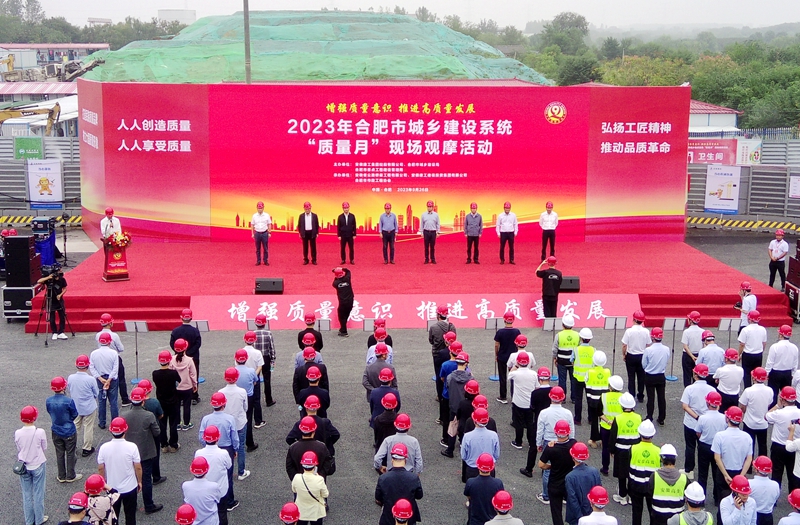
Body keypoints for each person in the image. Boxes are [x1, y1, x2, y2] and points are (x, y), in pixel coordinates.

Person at [122, 387, 162, 515]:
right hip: (145, 452)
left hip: (129, 452)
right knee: (146, 478)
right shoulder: (149, 415)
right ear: (143, 400)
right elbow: (157, 432)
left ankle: (132, 504)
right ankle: (148, 505)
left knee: (131, 477)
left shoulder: (124, 416)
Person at [97, 417, 141, 525]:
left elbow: (101, 468)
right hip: (130, 487)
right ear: (125, 430)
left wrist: (103, 482)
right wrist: (139, 481)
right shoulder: (132, 447)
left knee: (112, 517)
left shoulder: (104, 448)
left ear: (111, 431)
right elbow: (138, 467)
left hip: (112, 488)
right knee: (130, 516)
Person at [536, 387, 576, 504]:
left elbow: (540, 430)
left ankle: (546, 495)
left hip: (549, 442)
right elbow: (571, 430)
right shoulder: (567, 413)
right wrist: (571, 443)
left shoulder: (544, 413)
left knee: (547, 471)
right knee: (566, 468)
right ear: (562, 398)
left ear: (550, 397)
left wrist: (538, 443)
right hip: (566, 442)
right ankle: (565, 495)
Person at [680, 364, 716, 480]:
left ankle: (689, 470)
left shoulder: (689, 389)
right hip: (706, 424)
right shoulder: (712, 390)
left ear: (695, 374)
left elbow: (685, 406)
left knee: (690, 446)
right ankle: (702, 471)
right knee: (702, 447)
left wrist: (697, 417)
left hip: (690, 422)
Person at [712, 407, 753, 504]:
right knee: (739, 501)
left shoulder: (719, 436)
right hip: (739, 471)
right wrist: (741, 476)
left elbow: (717, 457)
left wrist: (725, 475)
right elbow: (749, 459)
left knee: (722, 501)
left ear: (727, 418)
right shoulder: (747, 437)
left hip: (723, 471)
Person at [539, 420, 578, 524]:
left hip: (555, 484)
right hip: (569, 483)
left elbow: (541, 464)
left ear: (555, 432)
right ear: (568, 432)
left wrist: (551, 466)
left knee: (556, 513)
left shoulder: (551, 448)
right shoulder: (573, 444)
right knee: (574, 508)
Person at [375, 443, 423, 525]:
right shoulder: (413, 478)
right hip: (408, 518)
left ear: (392, 460)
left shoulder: (383, 478)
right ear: (405, 460)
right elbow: (419, 496)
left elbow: (378, 497)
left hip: (388, 518)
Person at [16, 406, 48, 525]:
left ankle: (29, 521)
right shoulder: (40, 432)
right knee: (39, 493)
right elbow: (44, 447)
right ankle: (39, 519)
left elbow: (19, 448)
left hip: (24, 466)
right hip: (38, 464)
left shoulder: (18, 433)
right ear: (34, 417)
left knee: (27, 494)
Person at [196, 422, 236, 516]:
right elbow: (229, 466)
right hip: (220, 490)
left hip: (205, 490)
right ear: (218, 438)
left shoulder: (198, 453)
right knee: (222, 514)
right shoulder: (223, 453)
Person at [610, 393, 642, 505]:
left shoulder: (618, 418)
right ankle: (632, 497)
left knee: (622, 474)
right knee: (633, 473)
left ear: (621, 405)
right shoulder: (638, 417)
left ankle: (622, 496)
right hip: (635, 450)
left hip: (621, 450)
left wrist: (612, 450)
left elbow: (613, 436)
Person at [46, 377, 80, 483]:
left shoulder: (48, 401)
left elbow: (49, 411)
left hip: (56, 429)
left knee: (59, 453)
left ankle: (61, 475)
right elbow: (75, 414)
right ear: (64, 387)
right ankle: (70, 475)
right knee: (70, 453)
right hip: (69, 430)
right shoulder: (69, 401)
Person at [696, 391, 726, 505]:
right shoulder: (724, 418)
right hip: (718, 448)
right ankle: (717, 498)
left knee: (702, 474)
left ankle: (701, 499)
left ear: (708, 403)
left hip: (704, 446)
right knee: (717, 473)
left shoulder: (702, 418)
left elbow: (698, 433)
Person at [767, 387, 800, 490]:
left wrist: (778, 405)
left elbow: (766, 416)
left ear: (782, 399)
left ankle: (775, 495)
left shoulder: (778, 413)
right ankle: (794, 496)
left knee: (776, 474)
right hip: (794, 446)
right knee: (793, 475)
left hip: (778, 447)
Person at [629, 420, 660, 525]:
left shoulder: (633, 448)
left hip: (636, 484)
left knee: (636, 512)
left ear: (640, 433)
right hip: (652, 486)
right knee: (653, 513)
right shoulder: (658, 451)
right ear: (653, 435)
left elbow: (628, 467)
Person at [68, 355, 99, 458]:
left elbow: (70, 389)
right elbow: (96, 393)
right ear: (87, 366)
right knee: (88, 427)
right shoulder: (91, 379)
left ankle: (72, 446)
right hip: (89, 406)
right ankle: (86, 448)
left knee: (75, 426)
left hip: (76, 406)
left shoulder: (71, 378)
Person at [648, 444, 687, 525]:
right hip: (677, 518)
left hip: (658, 516)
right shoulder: (684, 478)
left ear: (661, 459)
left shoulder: (654, 476)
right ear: (675, 458)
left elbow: (650, 493)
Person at [170, 309, 202, 404]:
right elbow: (198, 344)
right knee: (193, 375)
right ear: (191, 318)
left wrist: (179, 351)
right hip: (193, 357)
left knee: (178, 376)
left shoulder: (175, 331)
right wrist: (189, 353)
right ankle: (194, 396)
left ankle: (179, 396)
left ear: (181, 317)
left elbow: (172, 343)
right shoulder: (195, 331)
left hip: (178, 356)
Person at [740, 367, 773, 457]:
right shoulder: (769, 390)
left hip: (749, 422)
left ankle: (749, 463)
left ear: (753, 378)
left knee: (749, 446)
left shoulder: (748, 391)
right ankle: (763, 463)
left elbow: (742, 406)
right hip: (763, 423)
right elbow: (769, 404)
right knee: (763, 446)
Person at [565, 442, 602, 525]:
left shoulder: (570, 477)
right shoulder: (594, 471)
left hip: (576, 518)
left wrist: (580, 518)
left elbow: (572, 499)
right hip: (592, 512)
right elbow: (599, 491)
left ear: (573, 457)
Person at [152, 350, 181, 453]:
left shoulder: (155, 374)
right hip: (173, 401)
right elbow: (179, 381)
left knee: (162, 424)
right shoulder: (173, 373)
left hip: (161, 402)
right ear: (169, 361)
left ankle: (163, 444)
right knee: (173, 424)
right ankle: (173, 445)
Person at [509, 352, 539, 450]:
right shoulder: (534, 374)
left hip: (518, 402)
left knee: (518, 423)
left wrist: (516, 366)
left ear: (518, 362)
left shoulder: (515, 374)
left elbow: (509, 374)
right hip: (529, 402)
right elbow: (537, 387)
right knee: (530, 423)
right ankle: (531, 442)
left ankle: (518, 442)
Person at [89, 332, 119, 430]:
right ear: (110, 342)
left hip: (100, 379)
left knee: (101, 401)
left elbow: (92, 367)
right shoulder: (114, 353)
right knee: (113, 402)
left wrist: (100, 378)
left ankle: (102, 422)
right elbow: (115, 368)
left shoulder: (94, 353)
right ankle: (115, 422)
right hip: (112, 379)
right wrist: (109, 379)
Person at [96, 314, 128, 406]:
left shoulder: (98, 335)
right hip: (115, 357)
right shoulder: (114, 335)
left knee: (105, 377)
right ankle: (125, 399)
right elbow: (121, 348)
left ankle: (106, 398)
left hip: (102, 358)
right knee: (121, 378)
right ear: (110, 323)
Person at [461, 408, 500, 483]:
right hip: (489, 468)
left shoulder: (467, 436)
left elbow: (463, 456)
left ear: (474, 421)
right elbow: (496, 455)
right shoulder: (494, 435)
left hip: (472, 468)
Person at [182, 457, 225, 525]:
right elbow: (218, 499)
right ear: (207, 470)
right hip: (210, 522)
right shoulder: (214, 486)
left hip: (194, 522)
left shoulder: (185, 485)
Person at [464, 454, 503, 525]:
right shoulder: (498, 483)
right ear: (492, 467)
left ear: (478, 466)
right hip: (492, 520)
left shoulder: (471, 482)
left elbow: (469, 497)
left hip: (475, 521)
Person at [291, 451, 328, 525]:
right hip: (316, 512)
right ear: (315, 466)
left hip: (301, 511)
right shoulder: (319, 479)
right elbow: (325, 494)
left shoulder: (297, 477)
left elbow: (294, 490)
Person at [622, 310, 651, 403]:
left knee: (631, 377)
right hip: (642, 355)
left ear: (634, 319)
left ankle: (631, 396)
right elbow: (648, 345)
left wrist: (624, 354)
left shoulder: (629, 331)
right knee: (641, 377)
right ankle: (640, 395)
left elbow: (624, 345)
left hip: (631, 355)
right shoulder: (646, 331)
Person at [765, 324, 798, 405]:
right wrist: (793, 374)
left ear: (780, 335)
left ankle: (772, 410)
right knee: (786, 396)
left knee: (773, 395)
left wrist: (767, 373)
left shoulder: (775, 347)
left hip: (775, 373)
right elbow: (795, 363)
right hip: (787, 373)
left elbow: (770, 362)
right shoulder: (794, 347)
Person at [428, 306, 456, 402]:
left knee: (439, 374)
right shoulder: (451, 326)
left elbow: (431, 340)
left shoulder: (433, 327)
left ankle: (440, 396)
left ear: (438, 315)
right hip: (450, 352)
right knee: (451, 373)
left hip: (437, 353)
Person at [644, 327, 670, 425]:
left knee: (650, 398)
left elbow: (644, 364)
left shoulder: (648, 350)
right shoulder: (666, 349)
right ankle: (661, 418)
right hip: (661, 375)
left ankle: (649, 416)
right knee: (661, 397)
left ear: (652, 337)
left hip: (650, 376)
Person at [171, 338, 198, 431]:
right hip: (187, 387)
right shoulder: (189, 360)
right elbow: (193, 374)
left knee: (176, 406)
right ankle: (186, 423)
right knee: (187, 406)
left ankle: (178, 424)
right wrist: (195, 385)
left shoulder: (172, 359)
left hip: (176, 388)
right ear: (185, 348)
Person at [599, 375, 624, 476]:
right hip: (619, 428)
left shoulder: (603, 396)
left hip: (606, 426)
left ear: (610, 386)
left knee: (605, 448)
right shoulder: (624, 397)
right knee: (618, 448)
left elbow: (599, 412)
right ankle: (618, 469)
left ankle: (605, 468)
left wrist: (608, 421)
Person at [585, 351, 610, 449]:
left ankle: (594, 440)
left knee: (594, 420)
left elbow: (586, 382)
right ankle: (604, 440)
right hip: (604, 399)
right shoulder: (607, 372)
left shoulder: (589, 372)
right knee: (603, 419)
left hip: (593, 399)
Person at [495, 312, 521, 404]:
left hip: (502, 356)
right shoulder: (517, 332)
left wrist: (496, 354)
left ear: (504, 320)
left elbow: (496, 345)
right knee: (514, 377)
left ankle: (503, 396)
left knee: (502, 377)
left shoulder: (500, 332)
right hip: (513, 357)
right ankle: (514, 396)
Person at [552, 315, 580, 403]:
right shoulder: (577, 335)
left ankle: (562, 398)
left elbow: (554, 349)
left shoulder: (559, 335)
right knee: (573, 380)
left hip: (561, 361)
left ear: (563, 324)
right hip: (573, 361)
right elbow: (579, 348)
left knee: (562, 380)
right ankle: (574, 398)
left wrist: (554, 358)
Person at [241, 332, 266, 429]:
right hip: (254, 377)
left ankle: (245, 420)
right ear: (255, 340)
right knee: (256, 399)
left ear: (244, 339)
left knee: (244, 398)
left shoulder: (240, 352)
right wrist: (254, 377)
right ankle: (258, 421)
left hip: (243, 378)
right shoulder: (257, 353)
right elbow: (260, 366)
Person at [572, 328, 596, 426]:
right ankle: (591, 419)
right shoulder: (593, 350)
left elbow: (572, 360)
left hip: (578, 377)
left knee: (578, 399)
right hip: (589, 378)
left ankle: (578, 419)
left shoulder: (576, 349)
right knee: (589, 398)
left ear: (581, 338)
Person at [253, 313, 277, 408]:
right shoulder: (268, 333)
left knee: (255, 378)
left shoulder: (253, 333)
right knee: (267, 379)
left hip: (255, 358)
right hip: (266, 358)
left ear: (256, 323)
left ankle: (255, 399)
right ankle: (268, 400)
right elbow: (272, 348)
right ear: (265, 323)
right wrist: (273, 359)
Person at [738, 310, 768, 388]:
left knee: (747, 374)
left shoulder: (745, 330)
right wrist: (761, 351)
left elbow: (742, 344)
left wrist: (739, 354)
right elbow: (764, 343)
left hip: (747, 354)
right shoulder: (763, 329)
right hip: (758, 354)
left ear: (749, 319)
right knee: (757, 373)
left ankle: (747, 389)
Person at [37, 264, 68, 340]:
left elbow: (65, 289)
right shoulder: (49, 279)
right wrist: (48, 277)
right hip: (50, 300)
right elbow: (39, 281)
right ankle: (54, 332)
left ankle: (61, 332)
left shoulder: (62, 279)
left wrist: (60, 295)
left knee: (62, 316)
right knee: (52, 317)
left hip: (59, 300)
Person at [749, 456, 780, 525]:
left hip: (752, 515)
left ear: (756, 469)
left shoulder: (750, 483)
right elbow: (775, 498)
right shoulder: (775, 485)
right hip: (768, 517)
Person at [682, 311, 704, 386]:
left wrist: (692, 356)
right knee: (697, 375)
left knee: (687, 375)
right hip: (698, 355)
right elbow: (704, 345)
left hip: (687, 355)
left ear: (691, 320)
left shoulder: (686, 332)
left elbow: (685, 346)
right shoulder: (702, 331)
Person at [332, 267, 353, 337]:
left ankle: (344, 331)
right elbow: (348, 271)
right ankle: (342, 329)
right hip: (350, 301)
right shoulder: (347, 278)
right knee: (346, 316)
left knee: (341, 317)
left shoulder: (335, 283)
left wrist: (335, 272)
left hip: (342, 303)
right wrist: (343, 269)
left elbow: (335, 280)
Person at [297, 201, 319, 265]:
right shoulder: (301, 216)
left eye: (308, 209)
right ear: (304, 209)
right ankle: (305, 259)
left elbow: (317, 224)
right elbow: (299, 225)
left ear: (310, 208)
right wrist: (300, 233)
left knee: (313, 247)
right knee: (305, 247)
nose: (307, 210)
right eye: (306, 209)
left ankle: (314, 260)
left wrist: (317, 233)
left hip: (312, 232)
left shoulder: (314, 216)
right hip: (304, 233)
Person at [419, 200, 440, 264]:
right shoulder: (423, 215)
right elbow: (421, 224)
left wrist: (438, 232)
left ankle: (433, 259)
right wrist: (421, 232)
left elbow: (438, 224)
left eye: (430, 207)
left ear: (432, 207)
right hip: (426, 232)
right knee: (426, 247)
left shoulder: (436, 215)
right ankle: (426, 259)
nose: (429, 208)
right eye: (428, 207)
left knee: (432, 247)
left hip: (433, 232)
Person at [251, 201, 272, 266]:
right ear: (257, 208)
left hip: (264, 233)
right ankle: (258, 261)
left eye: (261, 208)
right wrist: (252, 233)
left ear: (263, 208)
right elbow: (252, 225)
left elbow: (269, 224)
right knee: (257, 249)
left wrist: (269, 232)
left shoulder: (267, 215)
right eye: (259, 208)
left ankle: (265, 261)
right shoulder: (254, 216)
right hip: (257, 233)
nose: (260, 209)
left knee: (265, 248)